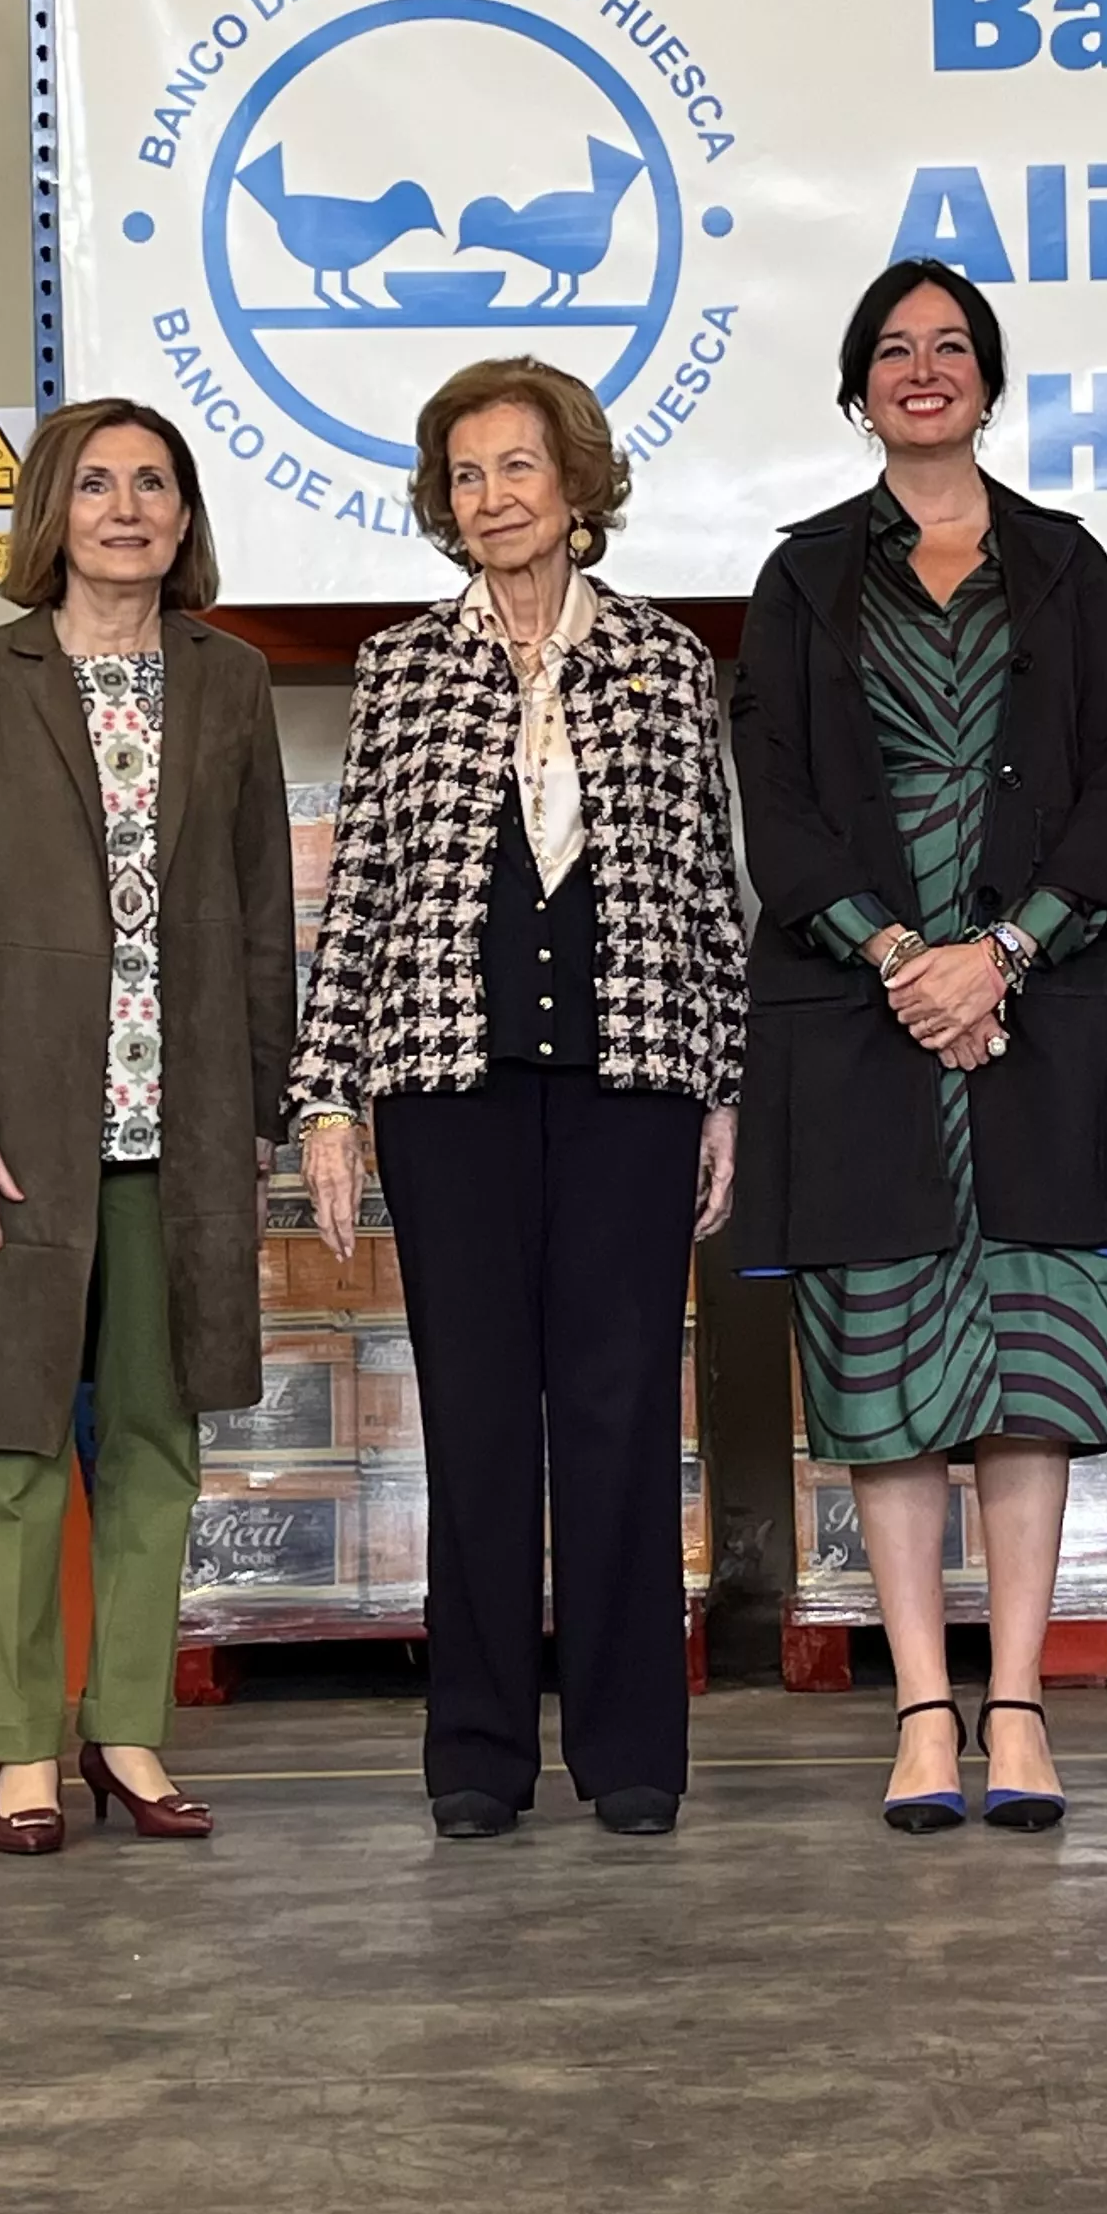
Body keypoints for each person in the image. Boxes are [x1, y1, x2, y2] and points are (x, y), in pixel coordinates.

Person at [730, 258, 1107, 1835]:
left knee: (1032, 1369)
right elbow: (772, 798)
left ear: (989, 381)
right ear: (860, 390)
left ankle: (1025, 1703)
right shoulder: (800, 578)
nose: (925, 371)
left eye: (952, 349)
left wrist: (1012, 950)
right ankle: (924, 1709)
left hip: (1041, 1008)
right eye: (895, 353)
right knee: (889, 1374)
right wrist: (905, 955)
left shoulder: (1065, 561)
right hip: (861, 1016)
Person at [290, 358, 747, 1840]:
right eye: (466, 477)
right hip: (447, 1090)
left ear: (578, 487)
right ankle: (477, 1752)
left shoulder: (668, 665)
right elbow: (362, 896)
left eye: (518, 469)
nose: (493, 498)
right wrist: (329, 1099)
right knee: (476, 1420)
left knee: (617, 1418)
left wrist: (721, 1089)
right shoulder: (400, 671)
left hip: (632, 1088)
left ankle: (631, 1755)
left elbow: (702, 895)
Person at [0, 399, 292, 1853]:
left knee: (154, 1438)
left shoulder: (229, 681)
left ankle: (125, 1731)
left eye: (157, 484)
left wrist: (257, 1105)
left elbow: (261, 917)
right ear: (50, 513)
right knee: (9, 1447)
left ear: (187, 518)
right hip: (18, 1135)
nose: (128, 507)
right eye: (98, 483)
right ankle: (18, 1749)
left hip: (177, 1127)